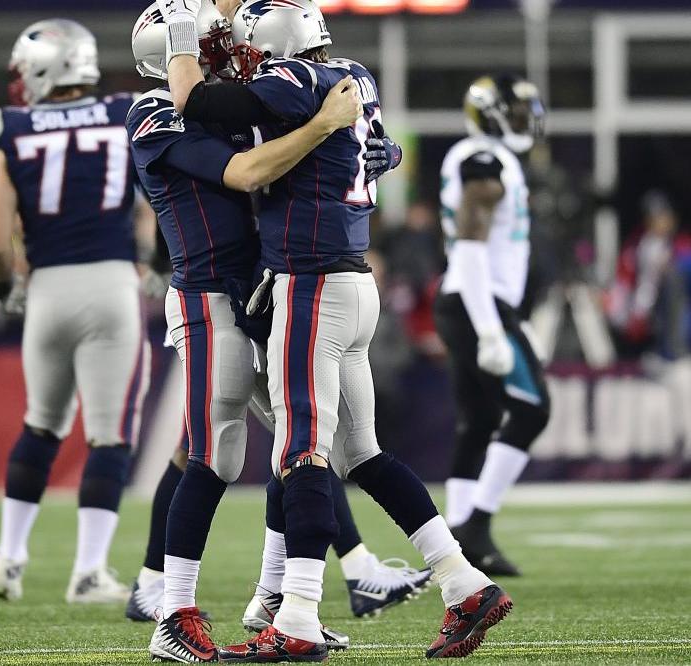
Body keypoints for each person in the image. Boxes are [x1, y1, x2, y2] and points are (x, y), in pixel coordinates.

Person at [160, 0, 512, 659]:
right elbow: (363, 145)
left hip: (312, 282)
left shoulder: (294, 81)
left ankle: (294, 616)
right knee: (363, 454)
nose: (246, 65)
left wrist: (182, 32)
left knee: (301, 452)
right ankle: (464, 582)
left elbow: (201, 105)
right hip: (353, 282)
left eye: (251, 52)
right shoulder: (355, 75)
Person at [0, 19, 156, 605]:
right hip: (110, 286)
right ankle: (87, 571)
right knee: (109, 438)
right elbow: (151, 205)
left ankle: (8, 558)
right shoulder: (125, 113)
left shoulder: (9, 128)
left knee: (40, 425)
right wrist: (155, 264)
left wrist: (6, 288)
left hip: (48, 291)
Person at [435, 75, 551, 577]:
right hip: (476, 302)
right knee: (532, 409)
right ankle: (473, 528)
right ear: (494, 114)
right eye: (518, 113)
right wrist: (488, 327)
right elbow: (471, 246)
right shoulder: (485, 160)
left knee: (480, 419)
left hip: (466, 299)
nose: (527, 123)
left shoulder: (477, 156)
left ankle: (460, 543)